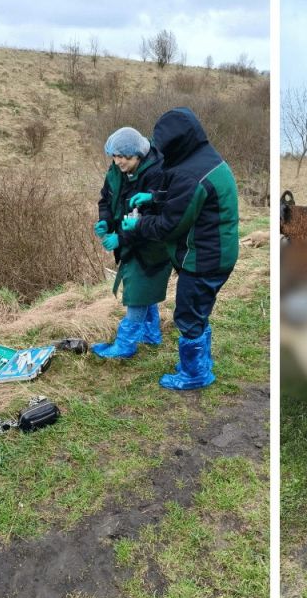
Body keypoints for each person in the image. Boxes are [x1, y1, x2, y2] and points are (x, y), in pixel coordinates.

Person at [118, 108, 239, 390]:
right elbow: (183, 198)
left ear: (175, 145)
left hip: (204, 259)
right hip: (217, 253)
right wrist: (154, 196)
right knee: (198, 310)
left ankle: (195, 374)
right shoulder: (203, 157)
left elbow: (169, 226)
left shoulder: (190, 174)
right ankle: (199, 363)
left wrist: (138, 225)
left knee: (188, 314)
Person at [91, 126, 171, 358]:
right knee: (142, 288)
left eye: (124, 157)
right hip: (129, 242)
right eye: (115, 156)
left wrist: (121, 238)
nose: (118, 161)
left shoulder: (157, 173)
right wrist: (105, 222)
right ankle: (151, 333)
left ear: (139, 155)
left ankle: (124, 345)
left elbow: (154, 219)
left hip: (152, 246)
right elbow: (105, 199)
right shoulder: (116, 170)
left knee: (137, 291)